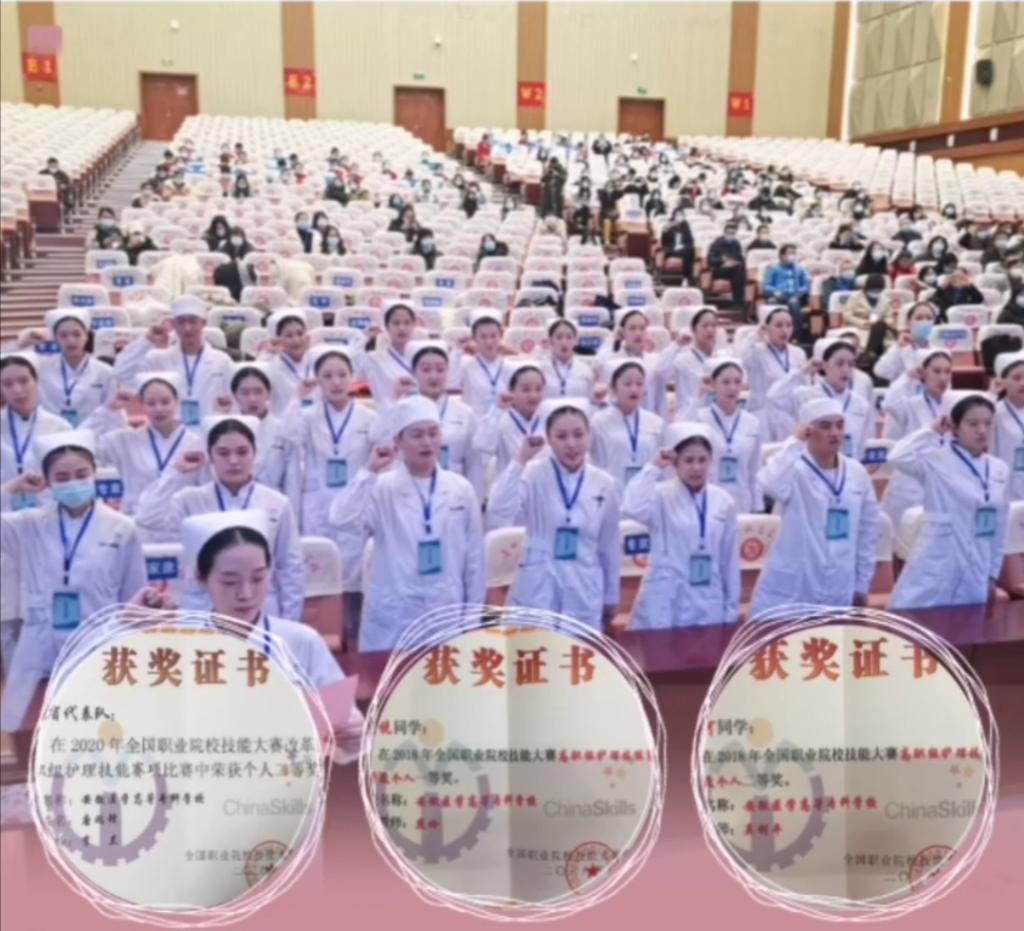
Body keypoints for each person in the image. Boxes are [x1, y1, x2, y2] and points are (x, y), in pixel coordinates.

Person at [180, 510, 363, 758]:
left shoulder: (302, 641)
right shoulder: (181, 647)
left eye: (258, 578)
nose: (245, 594)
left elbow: (344, 734)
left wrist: (352, 738)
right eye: (230, 582)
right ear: (201, 579)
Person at [0, 429, 147, 731]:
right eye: (62, 477)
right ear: (48, 481)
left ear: (94, 474)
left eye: (81, 474)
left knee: (96, 730)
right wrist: (11, 488)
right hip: (40, 641)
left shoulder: (122, 527)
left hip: (99, 638)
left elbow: (134, 596)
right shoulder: (29, 524)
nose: (73, 483)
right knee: (34, 730)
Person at [328, 396, 485, 652]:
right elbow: (340, 519)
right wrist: (369, 471)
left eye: (433, 433)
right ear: (398, 441)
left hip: (446, 606)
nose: (426, 442)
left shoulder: (460, 489)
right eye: (417, 435)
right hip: (395, 613)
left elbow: (474, 560)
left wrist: (472, 621)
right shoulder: (381, 487)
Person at [134, 415, 305, 621]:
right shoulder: (189, 500)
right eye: (223, 453)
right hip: (203, 608)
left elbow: (290, 569)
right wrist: (177, 472)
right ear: (210, 457)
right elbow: (147, 518)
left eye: (242, 452)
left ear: (255, 454)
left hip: (259, 608)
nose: (233, 461)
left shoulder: (276, 503)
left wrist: (288, 623)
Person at [488, 398, 620, 631]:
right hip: (538, 581)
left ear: (589, 435)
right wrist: (521, 459)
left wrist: (611, 595)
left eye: (578, 435)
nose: (571, 444)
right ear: (548, 439)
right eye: (561, 436)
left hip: (583, 583)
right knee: (533, 650)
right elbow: (499, 510)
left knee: (577, 650)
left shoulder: (604, 483)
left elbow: (608, 544)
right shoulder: (532, 474)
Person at [282, 347, 378, 646]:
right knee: (322, 576)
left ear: (352, 377)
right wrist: (297, 399)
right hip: (319, 504)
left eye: (341, 375)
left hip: (356, 503)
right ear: (317, 381)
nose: (336, 382)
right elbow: (288, 436)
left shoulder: (368, 417)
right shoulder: (308, 417)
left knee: (355, 578)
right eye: (327, 376)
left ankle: (355, 641)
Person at [751, 398, 880, 616]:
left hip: (840, 581)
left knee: (830, 635)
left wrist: (861, 583)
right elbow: (768, 483)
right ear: (808, 431)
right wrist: (795, 441)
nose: (835, 433)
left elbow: (868, 532)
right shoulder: (794, 469)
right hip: (797, 582)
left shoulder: (857, 472)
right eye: (825, 426)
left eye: (840, 425)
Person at [889, 397, 1011, 610]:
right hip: (936, 568)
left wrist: (992, 574)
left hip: (976, 571)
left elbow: (1000, 527)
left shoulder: (999, 469)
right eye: (972, 423)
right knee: (916, 626)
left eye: (987, 423)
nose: (982, 430)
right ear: (954, 427)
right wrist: (931, 430)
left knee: (967, 628)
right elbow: (896, 456)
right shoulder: (935, 460)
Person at [623, 421, 740, 627]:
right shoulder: (660, 496)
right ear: (675, 462)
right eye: (688, 460)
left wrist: (731, 610)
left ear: (711, 461)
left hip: (708, 598)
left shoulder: (723, 501)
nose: (696, 468)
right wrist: (654, 466)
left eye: (702, 460)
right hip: (666, 600)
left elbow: (729, 561)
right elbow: (632, 506)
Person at [79, 371, 203, 519]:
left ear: (176, 401)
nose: (159, 409)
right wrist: (107, 410)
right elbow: (78, 443)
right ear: (142, 405)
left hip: (182, 521)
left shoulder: (196, 443)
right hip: (136, 521)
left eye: (165, 402)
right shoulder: (125, 440)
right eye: (151, 403)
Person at [114, 296, 234, 426]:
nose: (187, 328)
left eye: (193, 321)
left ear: (203, 323)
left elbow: (234, 400)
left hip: (209, 430)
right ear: (173, 324)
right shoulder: (158, 359)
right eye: (181, 322)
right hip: (169, 431)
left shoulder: (222, 361)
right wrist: (147, 341)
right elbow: (121, 372)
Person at [880, 348, 955, 533]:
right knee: (905, 537)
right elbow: (890, 403)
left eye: (947, 371)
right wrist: (908, 376)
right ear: (923, 373)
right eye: (936, 371)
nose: (943, 377)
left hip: (944, 479)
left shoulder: (955, 405)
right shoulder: (912, 405)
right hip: (912, 481)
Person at [767, 337, 874, 460]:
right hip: (811, 466)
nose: (845, 370)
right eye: (839, 364)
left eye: (850, 364)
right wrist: (802, 372)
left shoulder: (860, 404)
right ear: (824, 365)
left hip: (846, 468)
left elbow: (862, 445)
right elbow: (774, 397)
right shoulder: (806, 395)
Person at [678, 360, 763, 513]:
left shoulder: (752, 423)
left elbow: (754, 470)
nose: (732, 388)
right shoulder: (700, 418)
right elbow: (678, 432)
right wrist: (698, 397)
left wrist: (757, 507)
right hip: (705, 499)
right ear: (713, 384)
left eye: (737, 382)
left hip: (741, 501)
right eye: (726, 382)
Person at [16, 309, 115, 426]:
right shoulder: (41, 367)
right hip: (50, 431)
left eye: (77, 335)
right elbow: (8, 365)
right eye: (63, 335)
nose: (70, 340)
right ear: (55, 338)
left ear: (86, 336)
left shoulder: (105, 371)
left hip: (93, 431)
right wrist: (21, 344)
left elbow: (112, 410)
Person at [1, 354, 72, 510]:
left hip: (48, 513)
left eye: (24, 381)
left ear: (36, 381)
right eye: (7, 384)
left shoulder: (59, 427)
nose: (17, 390)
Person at [590, 359, 664, 492]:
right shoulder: (598, 421)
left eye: (639, 384)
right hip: (609, 491)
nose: (634, 389)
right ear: (613, 388)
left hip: (645, 492)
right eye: (627, 384)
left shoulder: (656, 422)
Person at [473, 360, 548, 483]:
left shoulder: (550, 419)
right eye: (526, 390)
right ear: (511, 391)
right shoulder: (501, 419)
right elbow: (482, 444)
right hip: (511, 487)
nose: (533, 395)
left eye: (538, 389)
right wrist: (497, 410)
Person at [741, 305, 807, 442]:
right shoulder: (757, 351)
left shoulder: (798, 353)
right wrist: (756, 335)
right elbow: (745, 360)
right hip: (762, 414)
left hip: (790, 415)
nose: (784, 330)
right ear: (766, 328)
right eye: (779, 325)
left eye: (789, 325)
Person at [594, 309, 673, 419]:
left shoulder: (654, 361)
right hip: (616, 420)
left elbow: (660, 399)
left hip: (647, 420)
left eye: (642, 328)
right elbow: (597, 365)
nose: (638, 333)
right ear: (622, 332)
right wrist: (613, 340)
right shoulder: (609, 359)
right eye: (632, 328)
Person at [224, 363, 290, 493]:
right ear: (235, 395)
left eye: (258, 392)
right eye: (245, 393)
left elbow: (291, 477)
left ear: (268, 393)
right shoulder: (226, 430)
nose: (252, 399)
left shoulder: (282, 429)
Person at [361, 302, 421, 410]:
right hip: (387, 413)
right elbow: (352, 368)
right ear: (387, 327)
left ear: (413, 326)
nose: (402, 328)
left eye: (407, 323)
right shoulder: (374, 359)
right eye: (396, 323)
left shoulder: (425, 357)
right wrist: (363, 339)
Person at [256, 310, 315, 415]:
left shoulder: (317, 361)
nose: (296, 340)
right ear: (277, 340)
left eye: (300, 334)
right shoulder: (270, 366)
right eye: (289, 336)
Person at [455, 310, 511, 415]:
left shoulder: (510, 366)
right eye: (483, 337)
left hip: (503, 420)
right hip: (473, 419)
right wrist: (457, 351)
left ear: (501, 336)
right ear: (474, 339)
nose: (489, 342)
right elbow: (452, 384)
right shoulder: (465, 364)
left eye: (493, 336)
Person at [873, 301, 940, 384]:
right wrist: (898, 347)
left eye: (929, 318)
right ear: (908, 323)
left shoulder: (939, 350)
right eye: (919, 318)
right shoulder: (900, 349)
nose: (924, 322)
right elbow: (880, 371)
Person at [992, 351, 1024, 503]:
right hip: (1005, 489)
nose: (1023, 383)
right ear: (1002, 382)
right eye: (1017, 378)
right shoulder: (994, 412)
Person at [540, 318, 595, 400]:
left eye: (569, 337)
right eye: (559, 337)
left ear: (575, 341)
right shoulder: (541, 369)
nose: (564, 342)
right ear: (551, 341)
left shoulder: (585, 370)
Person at [763, 245, 811, 337]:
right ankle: (774, 334)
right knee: (772, 302)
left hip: (796, 296)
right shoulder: (773, 268)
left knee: (793, 302)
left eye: (794, 253)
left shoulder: (799, 269)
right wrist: (775, 291)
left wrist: (799, 291)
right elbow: (766, 286)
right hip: (780, 295)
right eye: (790, 253)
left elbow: (806, 286)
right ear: (782, 256)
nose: (792, 256)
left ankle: (796, 334)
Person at [706, 222, 747, 311]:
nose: (730, 235)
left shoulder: (736, 243)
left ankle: (738, 302)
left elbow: (740, 258)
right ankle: (739, 302)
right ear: (724, 232)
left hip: (733, 270)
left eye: (733, 233)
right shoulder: (717, 243)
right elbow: (710, 261)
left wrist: (734, 262)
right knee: (739, 272)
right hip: (719, 270)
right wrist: (722, 261)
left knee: (740, 270)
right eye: (728, 233)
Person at [659, 209, 696, 284]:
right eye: (678, 215)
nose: (679, 217)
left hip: (683, 250)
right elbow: (663, 242)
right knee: (687, 252)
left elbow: (691, 242)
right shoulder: (669, 226)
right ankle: (687, 277)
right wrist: (666, 229)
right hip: (672, 250)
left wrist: (683, 246)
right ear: (674, 216)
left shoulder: (686, 227)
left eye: (681, 215)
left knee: (690, 250)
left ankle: (686, 277)